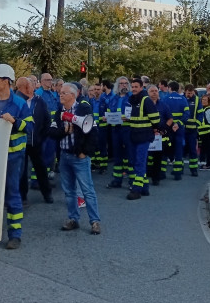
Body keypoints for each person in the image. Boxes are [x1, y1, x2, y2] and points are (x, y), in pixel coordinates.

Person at [0, 64, 31, 249]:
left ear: (5, 81)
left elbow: (30, 127)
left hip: (12, 156)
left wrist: (15, 122)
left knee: (12, 193)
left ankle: (14, 234)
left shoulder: (19, 103)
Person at [54, 82, 101, 235]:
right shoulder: (59, 111)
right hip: (64, 155)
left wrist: (85, 152)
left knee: (87, 190)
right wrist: (64, 131)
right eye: (60, 92)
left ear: (72, 95)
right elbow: (51, 132)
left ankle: (95, 221)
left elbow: (93, 133)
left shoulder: (83, 109)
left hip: (79, 156)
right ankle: (73, 218)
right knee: (69, 191)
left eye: (63, 93)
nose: (60, 95)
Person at [15, 76, 54, 205]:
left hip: (36, 142)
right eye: (29, 85)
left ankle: (47, 193)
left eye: (32, 85)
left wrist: (41, 138)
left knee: (41, 168)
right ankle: (22, 196)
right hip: (21, 141)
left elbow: (47, 120)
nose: (31, 88)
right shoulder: (17, 101)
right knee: (22, 170)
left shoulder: (39, 101)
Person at [126, 77, 160, 200]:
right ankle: (144, 188)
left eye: (136, 87)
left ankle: (136, 190)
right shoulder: (134, 100)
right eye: (132, 87)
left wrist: (153, 128)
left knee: (139, 163)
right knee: (137, 162)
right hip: (135, 136)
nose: (134, 89)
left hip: (143, 137)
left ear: (141, 87)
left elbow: (156, 119)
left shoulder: (146, 100)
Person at [106, 76, 132, 189]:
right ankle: (117, 180)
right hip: (115, 129)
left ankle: (132, 181)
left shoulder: (132, 98)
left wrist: (130, 118)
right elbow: (108, 112)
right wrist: (105, 118)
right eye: (121, 83)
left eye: (126, 83)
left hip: (128, 129)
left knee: (131, 155)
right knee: (117, 155)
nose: (124, 85)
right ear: (117, 85)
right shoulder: (113, 98)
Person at [164, 81, 191, 180]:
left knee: (166, 148)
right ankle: (178, 172)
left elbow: (162, 113)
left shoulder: (165, 99)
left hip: (168, 127)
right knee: (179, 149)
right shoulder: (183, 99)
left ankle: (162, 172)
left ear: (170, 88)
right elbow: (187, 114)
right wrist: (178, 123)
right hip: (179, 128)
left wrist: (169, 124)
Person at [183, 83, 202, 176]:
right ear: (185, 92)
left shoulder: (197, 100)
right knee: (181, 150)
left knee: (193, 151)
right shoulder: (182, 99)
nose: (189, 95)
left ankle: (194, 169)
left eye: (191, 93)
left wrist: (197, 124)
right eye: (188, 93)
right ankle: (180, 168)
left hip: (192, 131)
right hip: (182, 129)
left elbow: (200, 114)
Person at [198, 94, 210, 170]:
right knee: (204, 148)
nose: (203, 101)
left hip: (208, 132)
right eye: (202, 100)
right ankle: (205, 163)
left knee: (208, 149)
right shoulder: (203, 109)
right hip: (204, 133)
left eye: (205, 100)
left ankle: (208, 164)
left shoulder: (208, 109)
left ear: (208, 101)